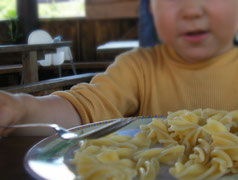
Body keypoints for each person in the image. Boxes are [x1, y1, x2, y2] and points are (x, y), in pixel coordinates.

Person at [1, 0, 238, 137]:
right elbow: (82, 110)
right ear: (150, 8)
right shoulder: (138, 68)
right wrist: (21, 108)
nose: (191, 10)